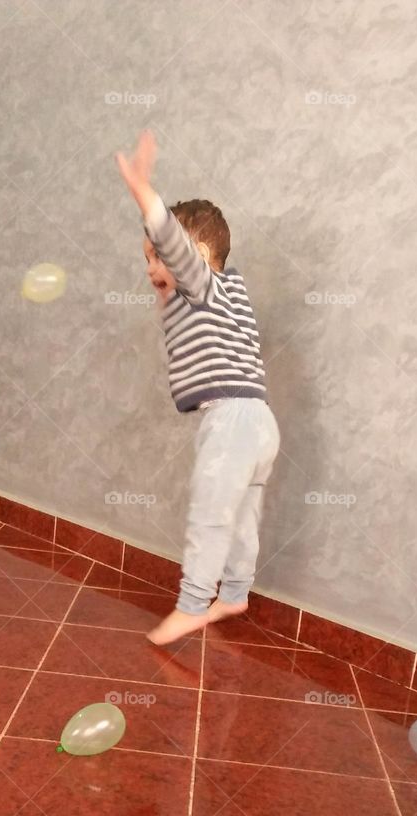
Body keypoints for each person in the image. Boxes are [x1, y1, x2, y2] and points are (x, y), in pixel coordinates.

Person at [116, 130, 279, 646]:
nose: (151, 268)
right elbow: (176, 310)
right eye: (146, 259)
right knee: (243, 516)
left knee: (210, 513)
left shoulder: (203, 282)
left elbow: (172, 240)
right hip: (260, 422)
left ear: (197, 254)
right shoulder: (230, 292)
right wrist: (165, 291)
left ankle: (192, 604)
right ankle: (234, 593)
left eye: (158, 257)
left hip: (230, 419)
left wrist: (142, 188)